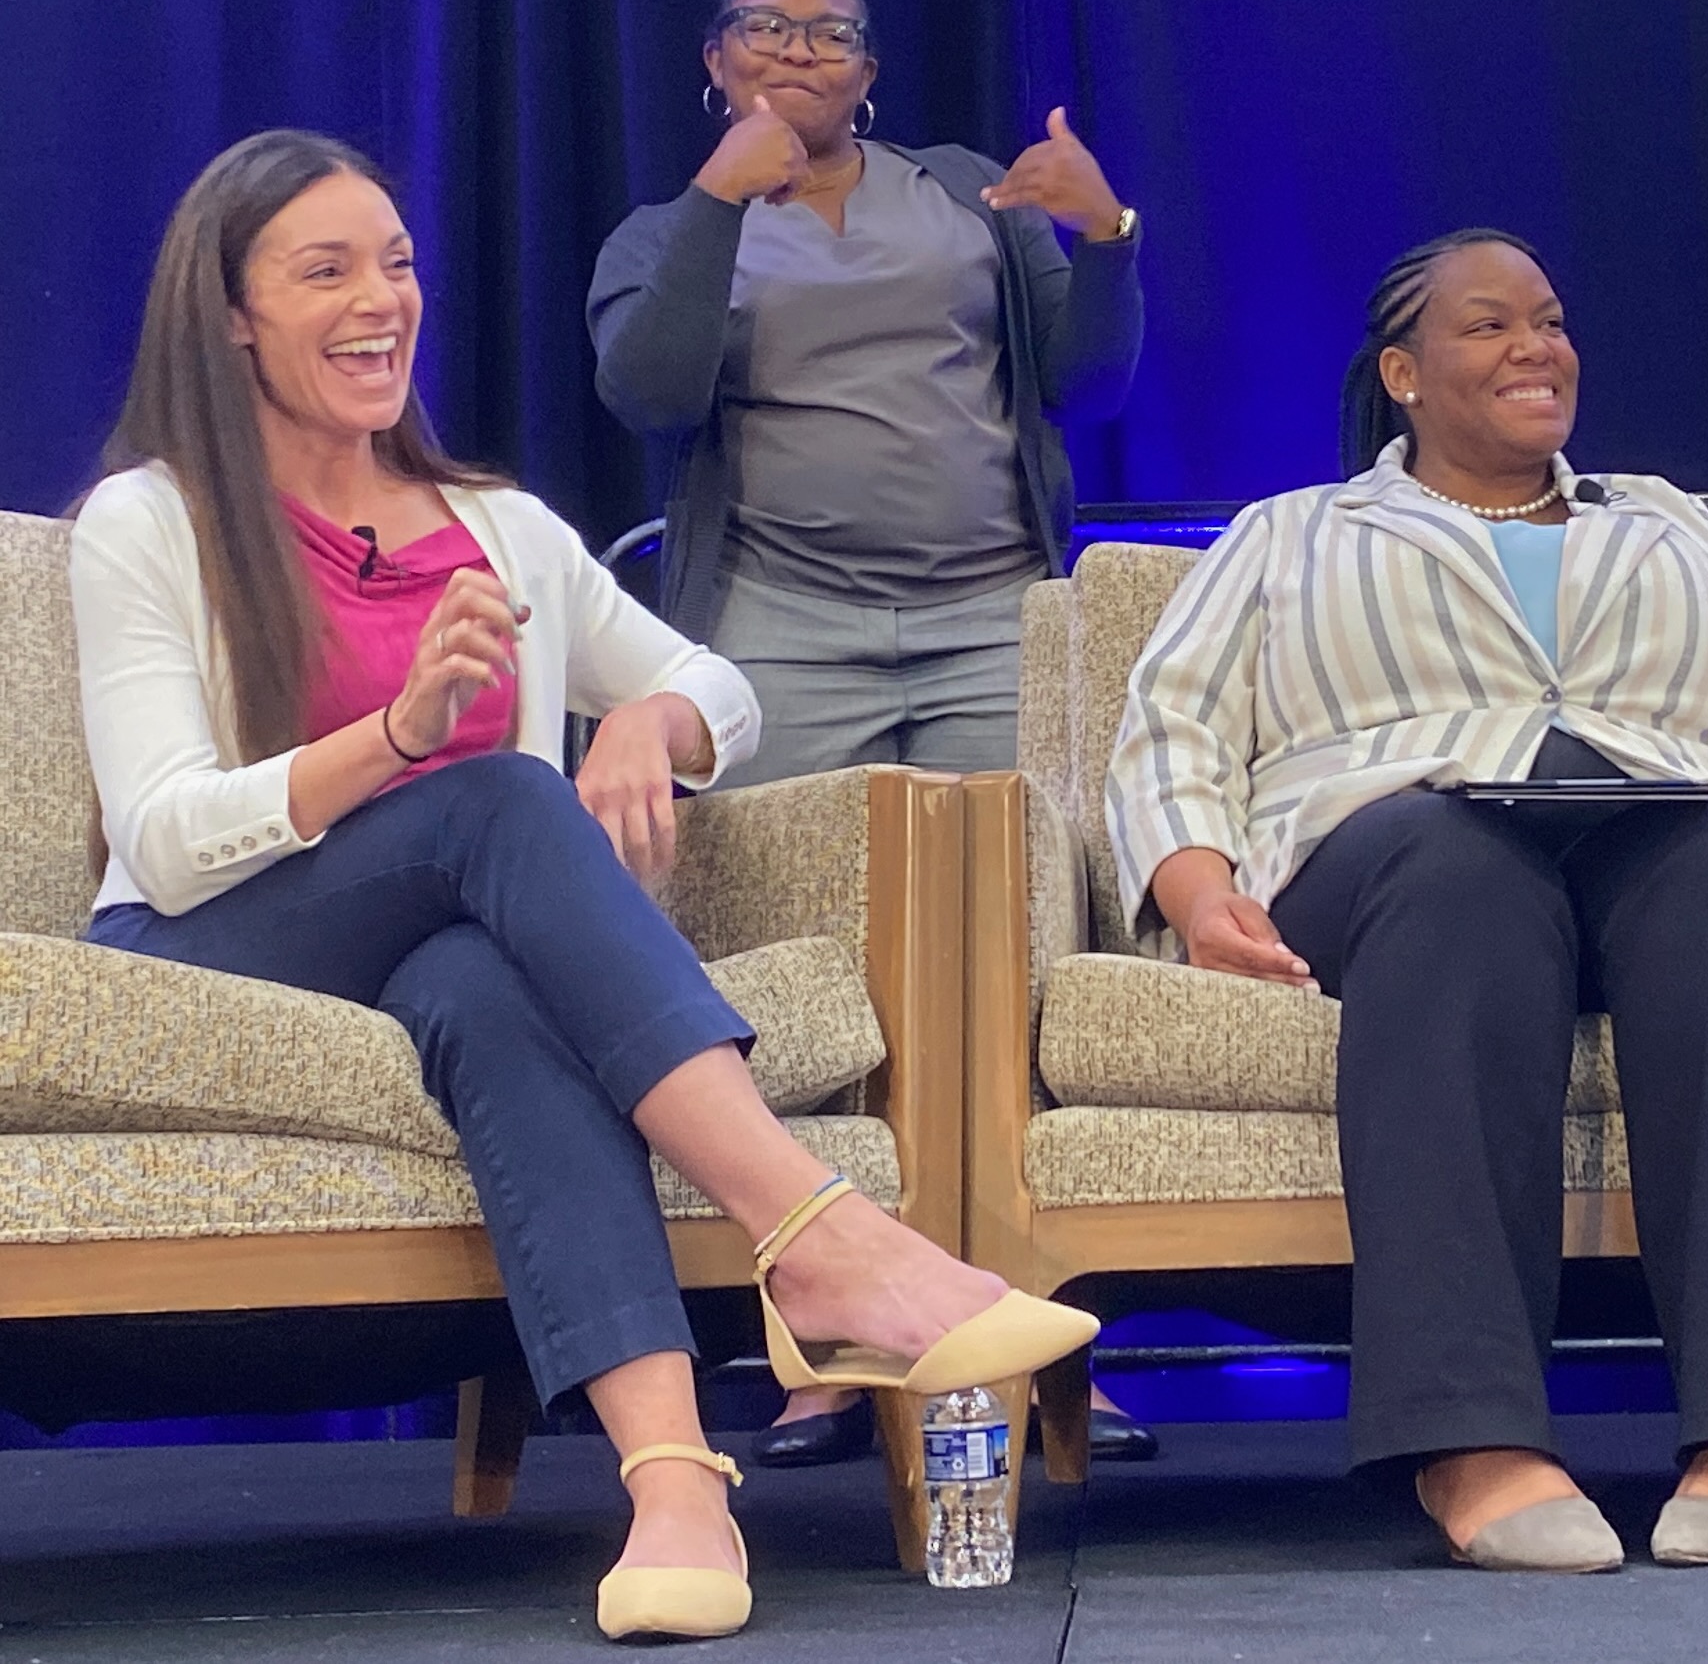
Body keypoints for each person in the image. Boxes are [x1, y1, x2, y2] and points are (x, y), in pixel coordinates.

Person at [73, 131, 1097, 1641]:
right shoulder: (148, 523)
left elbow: (711, 683)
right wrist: (398, 738)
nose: (383, 300)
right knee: (491, 792)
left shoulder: (497, 527)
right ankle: (816, 1237)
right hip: (207, 947)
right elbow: (159, 839)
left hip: (426, 954)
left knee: (488, 985)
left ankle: (674, 1486)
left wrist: (648, 718)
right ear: (229, 314)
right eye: (326, 270)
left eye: (399, 263)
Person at [1106, 230, 1708, 1574]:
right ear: (1403, 373)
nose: (1537, 348)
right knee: (1460, 871)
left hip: (1657, 818)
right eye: (1490, 328)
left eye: (1548, 321)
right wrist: (1199, 894)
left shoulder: (1663, 519)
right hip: (1390, 839)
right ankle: (1471, 1436)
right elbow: (1170, 732)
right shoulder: (1292, 533)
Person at [588, 0, 1147, 1465]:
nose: (798, 48)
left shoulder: (965, 196)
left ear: (870, 70)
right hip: (784, 626)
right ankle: (830, 1334)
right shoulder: (666, 229)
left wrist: (1103, 237)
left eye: (831, 29)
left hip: (986, 618)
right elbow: (644, 389)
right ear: (716, 57)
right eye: (764, 26)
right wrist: (720, 201)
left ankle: (1043, 1328)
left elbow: (1084, 385)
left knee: (1015, 959)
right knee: (801, 966)